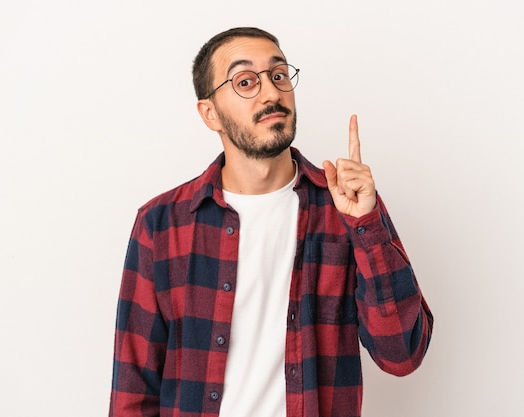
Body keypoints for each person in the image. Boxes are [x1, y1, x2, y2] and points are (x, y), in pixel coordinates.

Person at [109, 27, 433, 417]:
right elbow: (133, 391)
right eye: (245, 81)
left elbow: (402, 354)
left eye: (279, 76)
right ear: (210, 113)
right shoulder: (162, 224)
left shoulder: (345, 210)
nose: (271, 93)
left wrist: (366, 226)